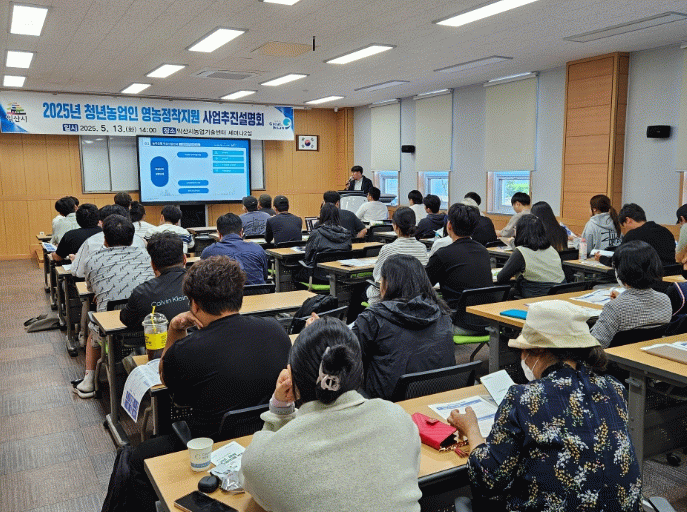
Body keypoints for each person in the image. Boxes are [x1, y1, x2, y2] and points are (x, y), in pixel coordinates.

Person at [126, 256, 291, 512]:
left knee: (137, 459)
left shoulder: (186, 350)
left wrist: (174, 330)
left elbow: (165, 377)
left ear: (194, 304)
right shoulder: (276, 330)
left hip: (209, 444)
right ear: (239, 296)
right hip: (267, 436)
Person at [448, 300, 641, 512]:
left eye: (523, 350)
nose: (522, 357)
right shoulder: (614, 388)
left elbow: (489, 480)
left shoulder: (523, 397)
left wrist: (471, 429)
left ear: (538, 350)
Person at [240, 316, 422, 512]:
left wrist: (280, 410)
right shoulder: (398, 419)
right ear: (357, 371)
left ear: (292, 378)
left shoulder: (265, 460)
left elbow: (252, 476)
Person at [73, 214, 154, 399]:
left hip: (110, 330)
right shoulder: (146, 256)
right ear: (132, 238)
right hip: (146, 324)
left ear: (105, 239)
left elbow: (91, 290)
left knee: (92, 330)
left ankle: (88, 381)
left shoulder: (92, 260)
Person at [353, 254, 454, 400]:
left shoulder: (372, 318)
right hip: (436, 396)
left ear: (387, 284)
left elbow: (348, 360)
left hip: (388, 403)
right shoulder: (442, 313)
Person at [591, 241, 671, 348]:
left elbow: (595, 345)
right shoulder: (665, 300)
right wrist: (622, 299)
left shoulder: (614, 307)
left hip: (615, 357)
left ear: (621, 271)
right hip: (643, 354)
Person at [425, 203, 492, 307]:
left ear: (449, 225)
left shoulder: (443, 254)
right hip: (482, 312)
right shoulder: (483, 251)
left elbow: (423, 284)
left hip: (453, 312)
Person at [119, 232, 190, 329]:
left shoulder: (142, 292)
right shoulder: (202, 282)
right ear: (185, 259)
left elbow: (126, 319)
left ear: (153, 265)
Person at [367, 207, 428, 303]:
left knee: (361, 291)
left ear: (395, 226)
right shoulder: (422, 248)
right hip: (416, 299)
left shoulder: (388, 248)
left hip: (392, 299)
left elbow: (378, 277)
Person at [496, 214, 565, 298]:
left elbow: (501, 278)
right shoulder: (551, 249)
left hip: (537, 296)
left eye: (515, 229)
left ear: (520, 232)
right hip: (559, 294)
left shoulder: (521, 252)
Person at [71, 205, 146, 278]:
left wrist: (75, 260)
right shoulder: (138, 240)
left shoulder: (90, 242)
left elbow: (78, 272)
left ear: (102, 222)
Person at [597, 203, 675, 267]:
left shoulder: (632, 235)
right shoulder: (666, 231)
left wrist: (601, 258)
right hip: (670, 276)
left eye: (624, 226)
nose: (625, 229)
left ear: (628, 220)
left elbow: (616, 261)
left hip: (647, 278)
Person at [201, 213, 268, 285]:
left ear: (219, 234)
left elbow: (204, 280)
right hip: (257, 291)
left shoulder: (208, 252)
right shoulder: (257, 249)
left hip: (225, 292)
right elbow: (265, 276)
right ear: (241, 232)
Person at [302, 203, 352, 270]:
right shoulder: (346, 234)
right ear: (337, 216)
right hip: (340, 272)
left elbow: (307, 255)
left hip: (319, 271)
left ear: (321, 215)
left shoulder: (316, 233)